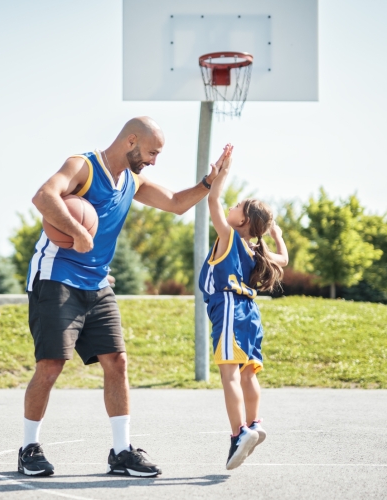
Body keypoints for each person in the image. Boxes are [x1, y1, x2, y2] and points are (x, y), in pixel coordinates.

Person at [19, 116, 233, 478]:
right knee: (51, 364)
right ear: (131, 140)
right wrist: (76, 231)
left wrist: (210, 182)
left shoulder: (131, 181)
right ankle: (29, 448)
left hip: (98, 283)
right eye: (151, 152)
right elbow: (43, 196)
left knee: (117, 361)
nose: (153, 161)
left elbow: (177, 203)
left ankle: (120, 452)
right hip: (56, 276)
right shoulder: (83, 166)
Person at [198, 147, 289, 470]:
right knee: (248, 373)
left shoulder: (229, 237)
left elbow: (213, 201)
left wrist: (222, 172)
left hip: (229, 308)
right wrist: (277, 236)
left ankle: (239, 433)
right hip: (250, 315)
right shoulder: (259, 252)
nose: (231, 207)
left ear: (243, 220)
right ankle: (254, 424)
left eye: (237, 207)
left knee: (228, 375)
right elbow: (286, 260)